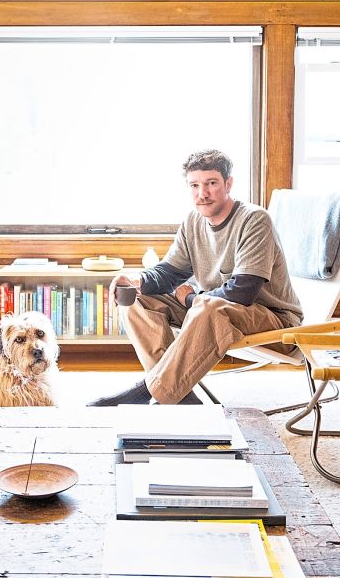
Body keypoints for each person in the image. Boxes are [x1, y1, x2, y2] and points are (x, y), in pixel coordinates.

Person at [89, 149, 302, 406]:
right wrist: (138, 281)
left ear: (228, 184)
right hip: (212, 310)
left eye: (211, 183)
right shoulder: (193, 221)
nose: (203, 193)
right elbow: (171, 271)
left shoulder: (254, 220)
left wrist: (191, 299)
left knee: (208, 306)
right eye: (195, 185)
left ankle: (148, 391)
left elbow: (242, 292)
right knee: (138, 300)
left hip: (273, 321)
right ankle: (180, 399)